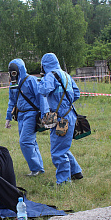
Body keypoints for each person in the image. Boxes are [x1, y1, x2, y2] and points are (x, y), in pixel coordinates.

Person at [38, 53, 83, 185]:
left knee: (58, 151)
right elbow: (77, 93)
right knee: (63, 146)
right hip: (70, 115)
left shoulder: (50, 76)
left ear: (44, 65)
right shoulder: (66, 75)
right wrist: (65, 104)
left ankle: (63, 182)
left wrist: (41, 82)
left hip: (60, 119)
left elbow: (44, 90)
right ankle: (76, 172)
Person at [5, 58, 49, 176]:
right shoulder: (13, 84)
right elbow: (12, 101)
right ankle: (39, 168)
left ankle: (35, 168)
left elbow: (41, 97)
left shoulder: (31, 81)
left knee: (25, 141)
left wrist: (45, 114)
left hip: (31, 114)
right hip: (20, 115)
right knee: (31, 142)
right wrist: (8, 117)